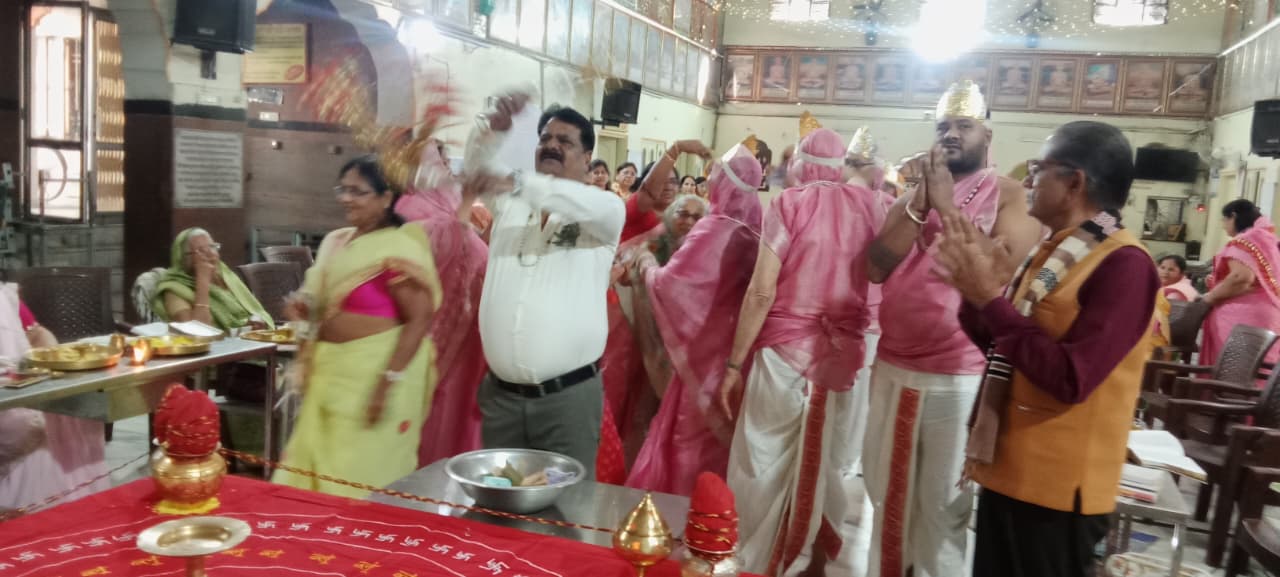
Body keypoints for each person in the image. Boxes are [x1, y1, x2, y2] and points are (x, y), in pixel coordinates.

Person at [937, 121, 1158, 577]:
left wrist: (990, 300)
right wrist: (975, 292)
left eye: (1038, 170)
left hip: (1057, 488)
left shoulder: (1124, 265)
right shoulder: (1056, 253)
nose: (1028, 182)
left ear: (1075, 182)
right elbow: (1005, 346)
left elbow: (1070, 379)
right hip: (1010, 467)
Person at [862, 81, 1043, 577]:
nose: (951, 134)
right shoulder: (911, 197)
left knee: (943, 510)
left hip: (959, 374)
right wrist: (921, 204)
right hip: (893, 366)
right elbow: (876, 266)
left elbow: (1001, 273)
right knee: (887, 501)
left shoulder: (1011, 196)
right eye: (943, 126)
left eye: (964, 125)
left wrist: (946, 207)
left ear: (988, 135)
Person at [719, 127, 886, 577]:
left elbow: (761, 292)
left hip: (783, 355)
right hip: (845, 359)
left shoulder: (790, 204)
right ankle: (813, 561)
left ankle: (753, 563)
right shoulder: (876, 208)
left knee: (761, 462)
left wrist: (734, 365)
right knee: (828, 461)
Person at [465, 96, 625, 474]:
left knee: (565, 506)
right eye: (545, 139)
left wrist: (518, 181)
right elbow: (477, 167)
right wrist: (490, 126)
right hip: (502, 399)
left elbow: (542, 190)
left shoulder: (605, 211)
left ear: (588, 158)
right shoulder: (511, 203)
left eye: (564, 141)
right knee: (498, 502)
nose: (551, 145)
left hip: (566, 401)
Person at [273, 156, 441, 499]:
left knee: (364, 482)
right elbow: (319, 298)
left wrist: (386, 384)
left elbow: (420, 318)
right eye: (343, 189)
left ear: (386, 197)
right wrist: (303, 306)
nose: (346, 199)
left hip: (375, 382)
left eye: (358, 192)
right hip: (331, 378)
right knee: (315, 481)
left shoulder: (399, 247)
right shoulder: (337, 241)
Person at [626, 142, 763, 496]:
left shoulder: (713, 229)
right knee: (724, 444)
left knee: (689, 442)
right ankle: (719, 515)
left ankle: (684, 514)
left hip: (702, 359)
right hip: (740, 359)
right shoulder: (757, 231)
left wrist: (646, 263)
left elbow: (670, 287)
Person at [395, 139, 490, 467]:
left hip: (469, 333)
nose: (447, 166)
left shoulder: (445, 202)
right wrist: (464, 211)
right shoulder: (409, 208)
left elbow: (467, 244)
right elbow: (443, 246)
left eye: (447, 159)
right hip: (436, 333)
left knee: (463, 408)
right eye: (441, 159)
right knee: (441, 412)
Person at [0, 288, 108, 512]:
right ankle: (34, 516)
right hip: (9, 401)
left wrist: (51, 358)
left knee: (77, 408)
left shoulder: (3, 297)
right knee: (26, 424)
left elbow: (38, 333)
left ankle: (83, 510)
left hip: (24, 383)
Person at [1200, 199, 1280, 367]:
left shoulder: (1244, 241)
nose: (1223, 225)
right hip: (1267, 312)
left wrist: (1209, 297)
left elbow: (1241, 278)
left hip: (1243, 316)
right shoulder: (1268, 240)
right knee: (1256, 370)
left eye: (1224, 219)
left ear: (1233, 216)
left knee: (1234, 371)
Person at [153, 228, 274, 331]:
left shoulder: (226, 276)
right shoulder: (174, 290)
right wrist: (203, 281)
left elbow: (254, 310)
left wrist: (255, 320)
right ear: (183, 259)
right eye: (201, 250)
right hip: (220, 350)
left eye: (212, 247)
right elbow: (197, 333)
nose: (211, 254)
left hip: (251, 342)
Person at [652, 194, 708, 266]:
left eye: (697, 217)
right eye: (683, 214)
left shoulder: (706, 249)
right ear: (671, 213)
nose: (689, 222)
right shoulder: (657, 238)